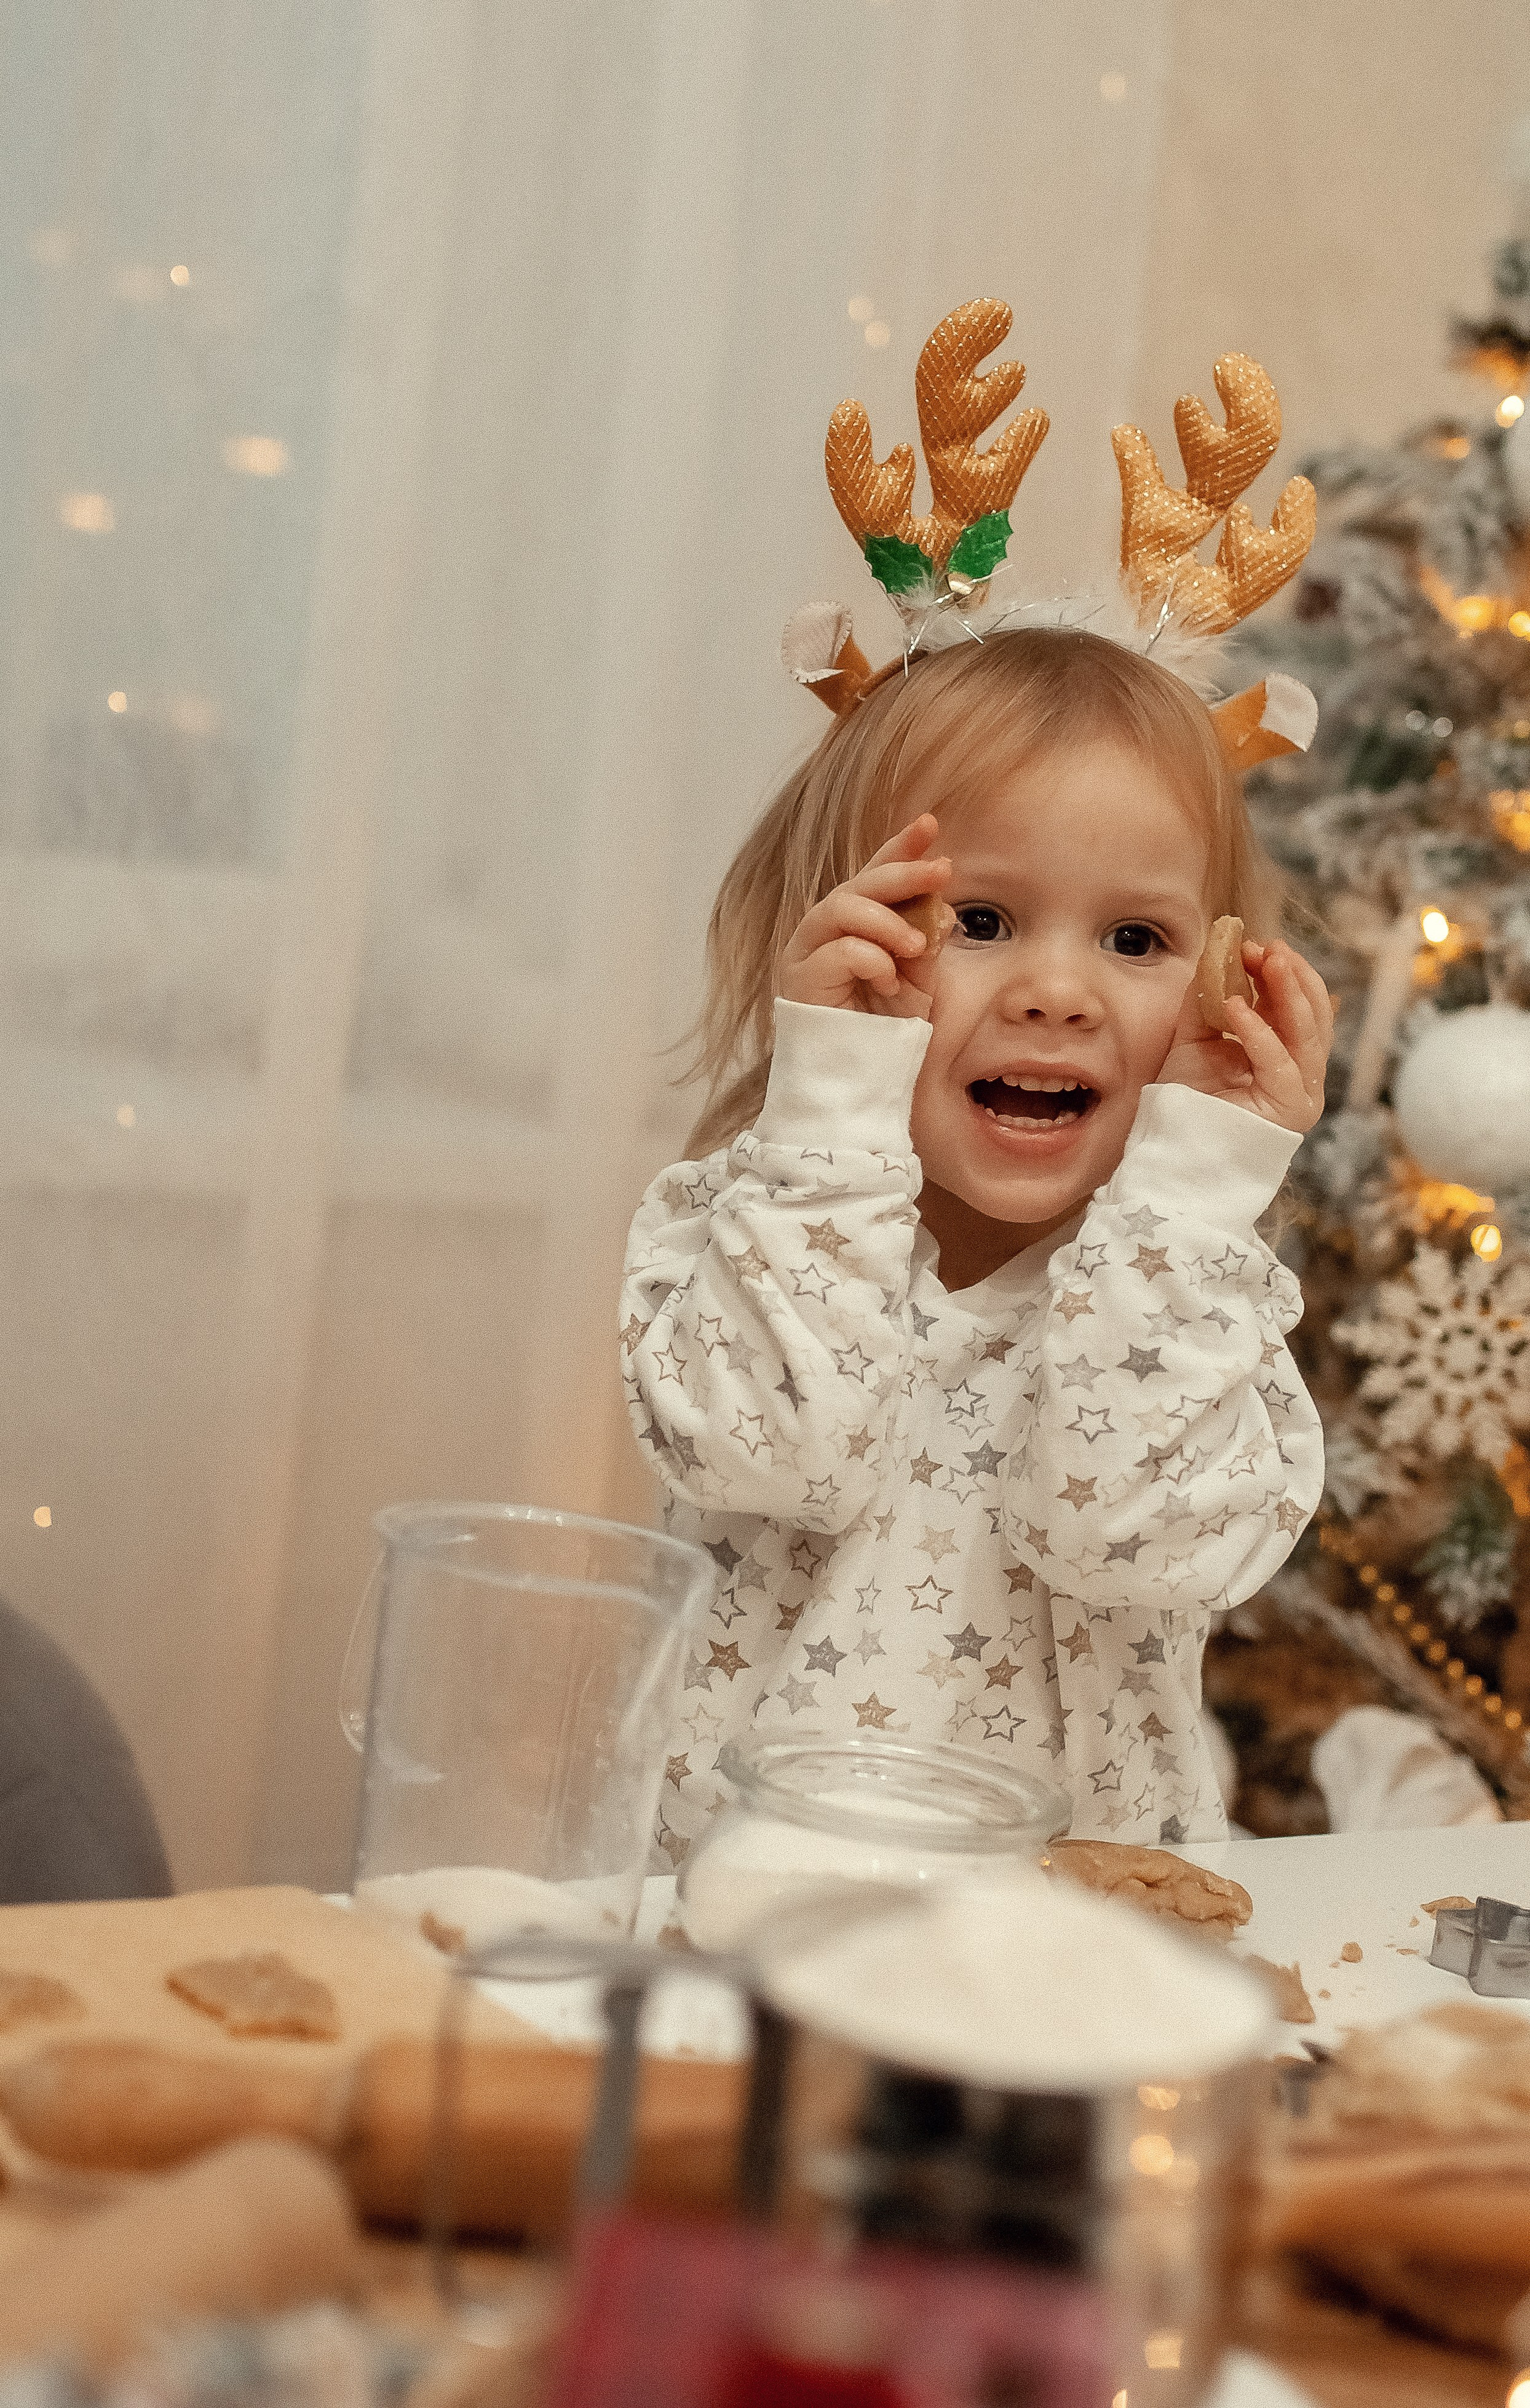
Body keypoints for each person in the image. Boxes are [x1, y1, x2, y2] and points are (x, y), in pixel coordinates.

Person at [621, 302, 1330, 1860]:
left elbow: (1125, 1528)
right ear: (850, 952)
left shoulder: (1199, 1312)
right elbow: (776, 1455)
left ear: (1214, 980)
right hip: (741, 1922)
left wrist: (1201, 1189)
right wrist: (827, 1105)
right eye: (980, 920)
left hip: (1060, 1961)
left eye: (1137, 936)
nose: (1056, 991)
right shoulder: (738, 1230)